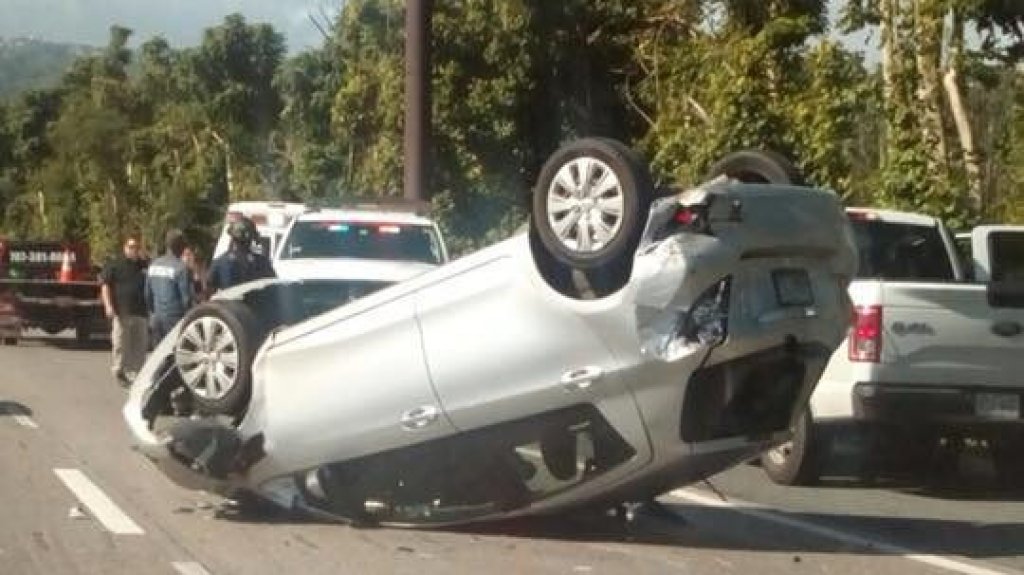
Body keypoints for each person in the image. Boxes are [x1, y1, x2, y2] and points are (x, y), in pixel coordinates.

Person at [100, 236, 149, 387]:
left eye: (136, 247)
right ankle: (119, 371)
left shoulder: (144, 266)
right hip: (122, 311)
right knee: (121, 343)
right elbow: (105, 286)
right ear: (125, 248)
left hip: (141, 312)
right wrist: (108, 305)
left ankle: (137, 374)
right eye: (130, 246)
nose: (133, 250)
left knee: (139, 345)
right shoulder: (115, 265)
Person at [145, 229, 195, 344]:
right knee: (175, 354)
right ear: (179, 246)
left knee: (158, 354)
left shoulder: (153, 265)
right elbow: (186, 299)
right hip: (175, 319)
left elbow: (147, 294)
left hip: (157, 318)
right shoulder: (181, 268)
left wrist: (153, 312)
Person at [207, 216, 276, 295]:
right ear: (251, 239)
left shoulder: (219, 263)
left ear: (232, 238)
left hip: (229, 306)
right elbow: (274, 289)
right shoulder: (262, 262)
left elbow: (208, 295)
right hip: (254, 306)